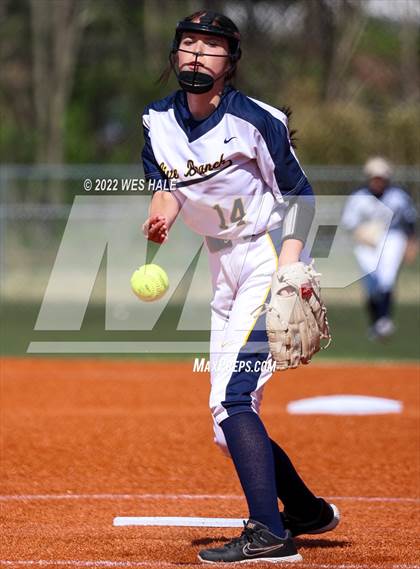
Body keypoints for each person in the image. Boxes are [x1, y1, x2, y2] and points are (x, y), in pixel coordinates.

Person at [141, 10, 340, 564]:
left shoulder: (255, 119)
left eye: (211, 46)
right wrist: (162, 214)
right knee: (225, 425)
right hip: (221, 271)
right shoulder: (158, 120)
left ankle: (270, 533)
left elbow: (300, 197)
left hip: (264, 260)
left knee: (232, 400)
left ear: (231, 61)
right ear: (175, 54)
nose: (197, 54)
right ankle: (304, 511)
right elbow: (166, 182)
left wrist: (290, 274)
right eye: (188, 44)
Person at [342, 157, 417, 341]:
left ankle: (384, 321)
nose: (378, 182)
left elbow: (410, 221)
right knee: (371, 283)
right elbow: (348, 223)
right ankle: (377, 322)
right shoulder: (359, 197)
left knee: (387, 277)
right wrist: (359, 233)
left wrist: (413, 242)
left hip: (392, 237)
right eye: (374, 178)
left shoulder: (398, 196)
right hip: (366, 240)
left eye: (381, 178)